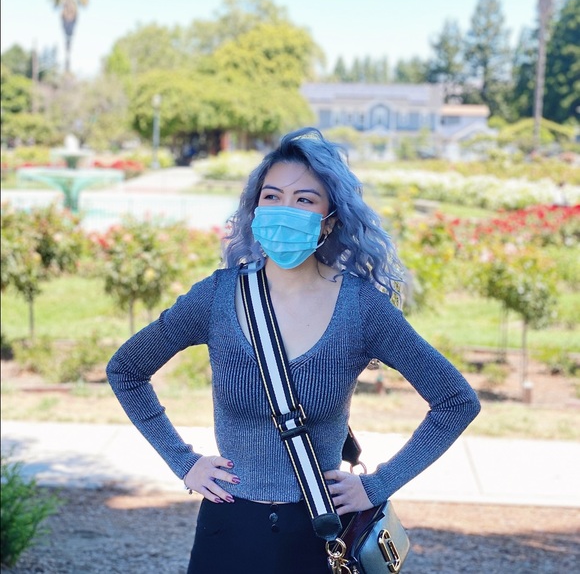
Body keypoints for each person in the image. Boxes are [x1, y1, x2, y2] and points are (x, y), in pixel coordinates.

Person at [107, 127, 481, 573]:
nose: (285, 210)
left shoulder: (361, 309)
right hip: (227, 529)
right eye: (272, 196)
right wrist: (183, 462)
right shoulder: (216, 297)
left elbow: (456, 401)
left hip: (320, 532)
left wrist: (377, 485)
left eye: (304, 199)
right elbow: (126, 370)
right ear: (254, 209)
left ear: (330, 219)